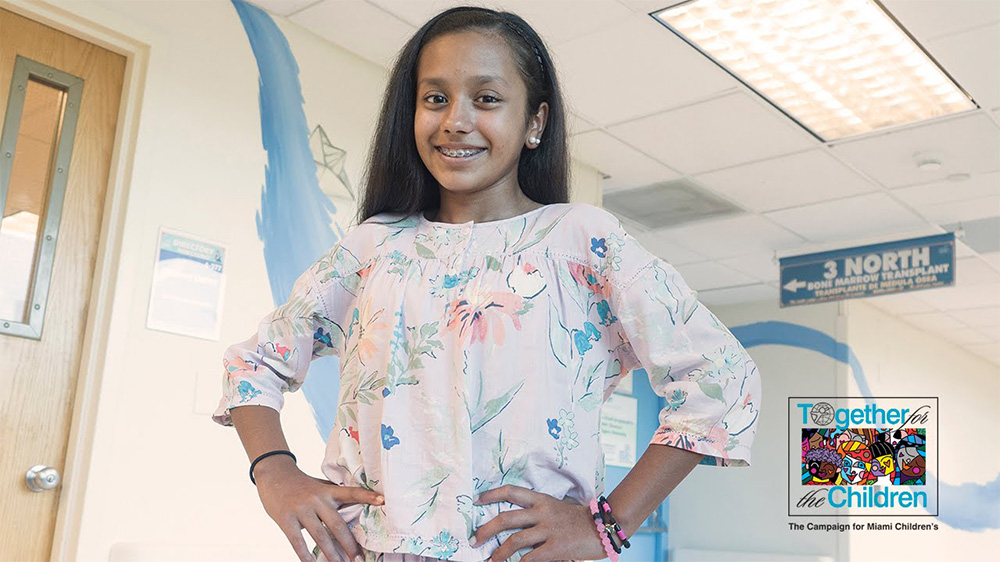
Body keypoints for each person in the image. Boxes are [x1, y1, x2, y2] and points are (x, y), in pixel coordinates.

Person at [212, 6, 761, 562]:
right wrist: (274, 472)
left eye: (487, 98)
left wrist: (611, 524)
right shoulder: (373, 248)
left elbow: (720, 375)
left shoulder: (580, 241)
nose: (456, 119)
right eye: (435, 98)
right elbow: (254, 364)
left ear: (535, 123)